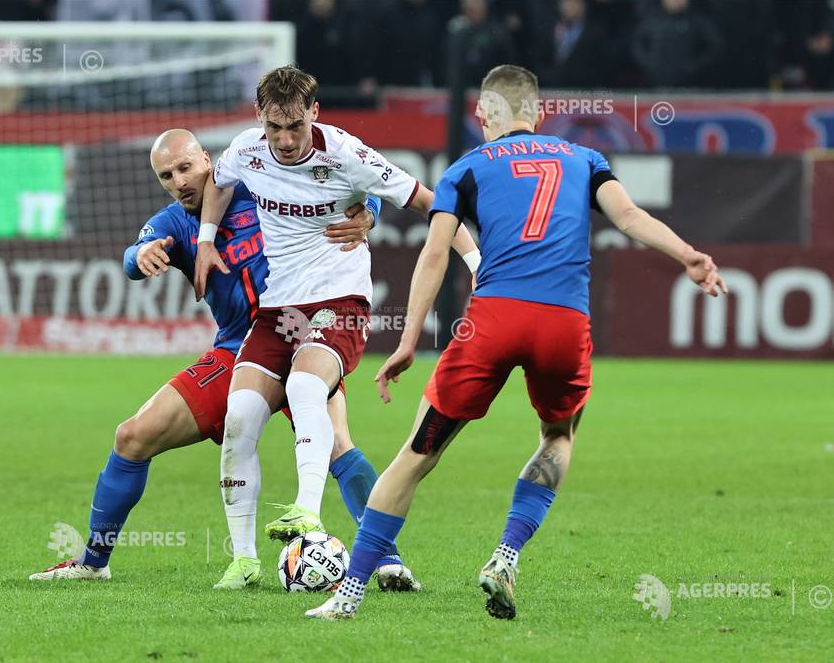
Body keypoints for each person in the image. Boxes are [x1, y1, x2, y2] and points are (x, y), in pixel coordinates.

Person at [306, 64, 727, 620]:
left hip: (492, 322)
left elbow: (435, 254)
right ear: (541, 113)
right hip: (563, 325)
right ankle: (505, 555)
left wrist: (409, 340)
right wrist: (688, 256)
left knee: (416, 456)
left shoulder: (465, 169)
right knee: (558, 435)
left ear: (482, 114)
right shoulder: (585, 160)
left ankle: (349, 596)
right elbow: (627, 216)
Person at [29, 129, 419, 591]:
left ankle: (387, 562)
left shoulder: (261, 188)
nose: (179, 181)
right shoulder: (175, 224)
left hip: (301, 337)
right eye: (166, 175)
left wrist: (367, 213)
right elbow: (132, 257)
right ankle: (94, 560)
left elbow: (344, 188)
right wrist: (141, 255)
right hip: (237, 351)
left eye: (186, 168)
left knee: (338, 447)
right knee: (132, 437)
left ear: (208, 161)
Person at [193, 66, 481, 589]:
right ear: (260, 117)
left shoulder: (347, 153)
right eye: (274, 127)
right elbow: (218, 181)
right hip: (278, 308)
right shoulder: (246, 149)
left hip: (340, 298)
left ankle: (306, 512)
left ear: (315, 114)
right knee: (239, 418)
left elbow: (426, 200)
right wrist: (206, 240)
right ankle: (243, 560)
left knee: (306, 386)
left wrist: (476, 260)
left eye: (295, 127)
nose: (283, 140)